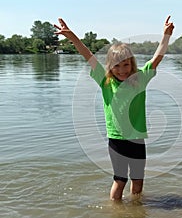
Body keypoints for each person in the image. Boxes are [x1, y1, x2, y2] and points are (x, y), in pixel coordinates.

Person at [54, 16, 174, 201]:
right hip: (116, 140)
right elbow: (88, 56)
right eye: (117, 66)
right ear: (111, 66)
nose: (122, 70)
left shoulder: (140, 79)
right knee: (120, 180)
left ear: (131, 63)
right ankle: (116, 210)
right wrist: (73, 38)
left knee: (138, 179)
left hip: (137, 139)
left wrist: (166, 36)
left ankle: (135, 209)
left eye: (126, 64)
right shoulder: (105, 81)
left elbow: (157, 57)